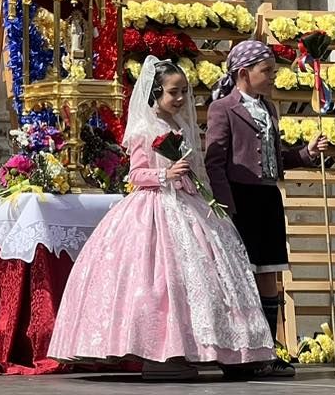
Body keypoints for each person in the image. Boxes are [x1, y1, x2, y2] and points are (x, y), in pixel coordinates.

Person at [48, 57, 275, 379]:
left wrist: (197, 188)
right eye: (173, 92)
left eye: (184, 91)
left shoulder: (180, 126)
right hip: (153, 206)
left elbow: (192, 168)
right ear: (155, 93)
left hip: (186, 203)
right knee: (158, 280)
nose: (181, 98)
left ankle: (215, 350)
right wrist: (164, 174)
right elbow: (136, 174)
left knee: (205, 276)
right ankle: (161, 355)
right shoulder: (144, 129)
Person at [205, 41, 329, 376]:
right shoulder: (223, 109)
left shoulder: (269, 108)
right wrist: (225, 206)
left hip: (267, 198)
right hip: (240, 199)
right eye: (267, 71)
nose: (273, 76)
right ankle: (240, 352)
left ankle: (267, 349)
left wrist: (307, 153)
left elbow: (277, 157)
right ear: (244, 73)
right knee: (241, 274)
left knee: (269, 273)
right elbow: (214, 162)